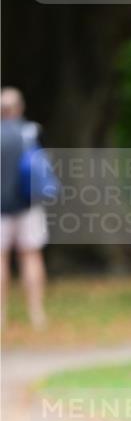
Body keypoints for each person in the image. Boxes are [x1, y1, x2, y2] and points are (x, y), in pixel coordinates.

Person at [1, 87, 49, 330]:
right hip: (29, 204)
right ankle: (36, 314)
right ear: (19, 108)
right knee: (31, 256)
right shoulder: (30, 131)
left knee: (1, 260)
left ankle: (1, 316)